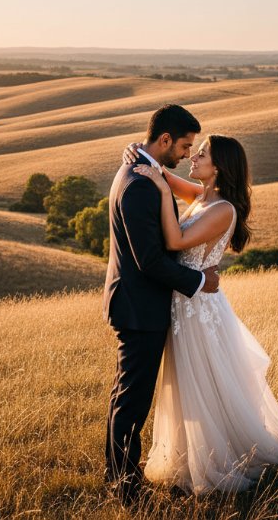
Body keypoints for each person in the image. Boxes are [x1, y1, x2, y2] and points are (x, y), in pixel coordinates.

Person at [126, 133, 278, 494]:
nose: (193, 157)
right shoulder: (202, 195)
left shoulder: (223, 209)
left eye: (201, 154)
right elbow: (164, 174)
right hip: (185, 301)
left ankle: (217, 456)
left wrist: (158, 187)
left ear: (219, 167)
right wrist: (138, 153)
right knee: (190, 381)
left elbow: (175, 241)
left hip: (198, 308)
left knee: (203, 381)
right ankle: (187, 452)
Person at [103, 104, 221, 505]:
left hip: (139, 304)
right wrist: (200, 281)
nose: (188, 154)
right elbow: (149, 260)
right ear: (165, 139)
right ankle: (126, 490)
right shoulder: (139, 184)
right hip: (139, 307)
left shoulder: (143, 170)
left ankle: (116, 476)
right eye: (185, 146)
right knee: (132, 403)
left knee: (126, 396)